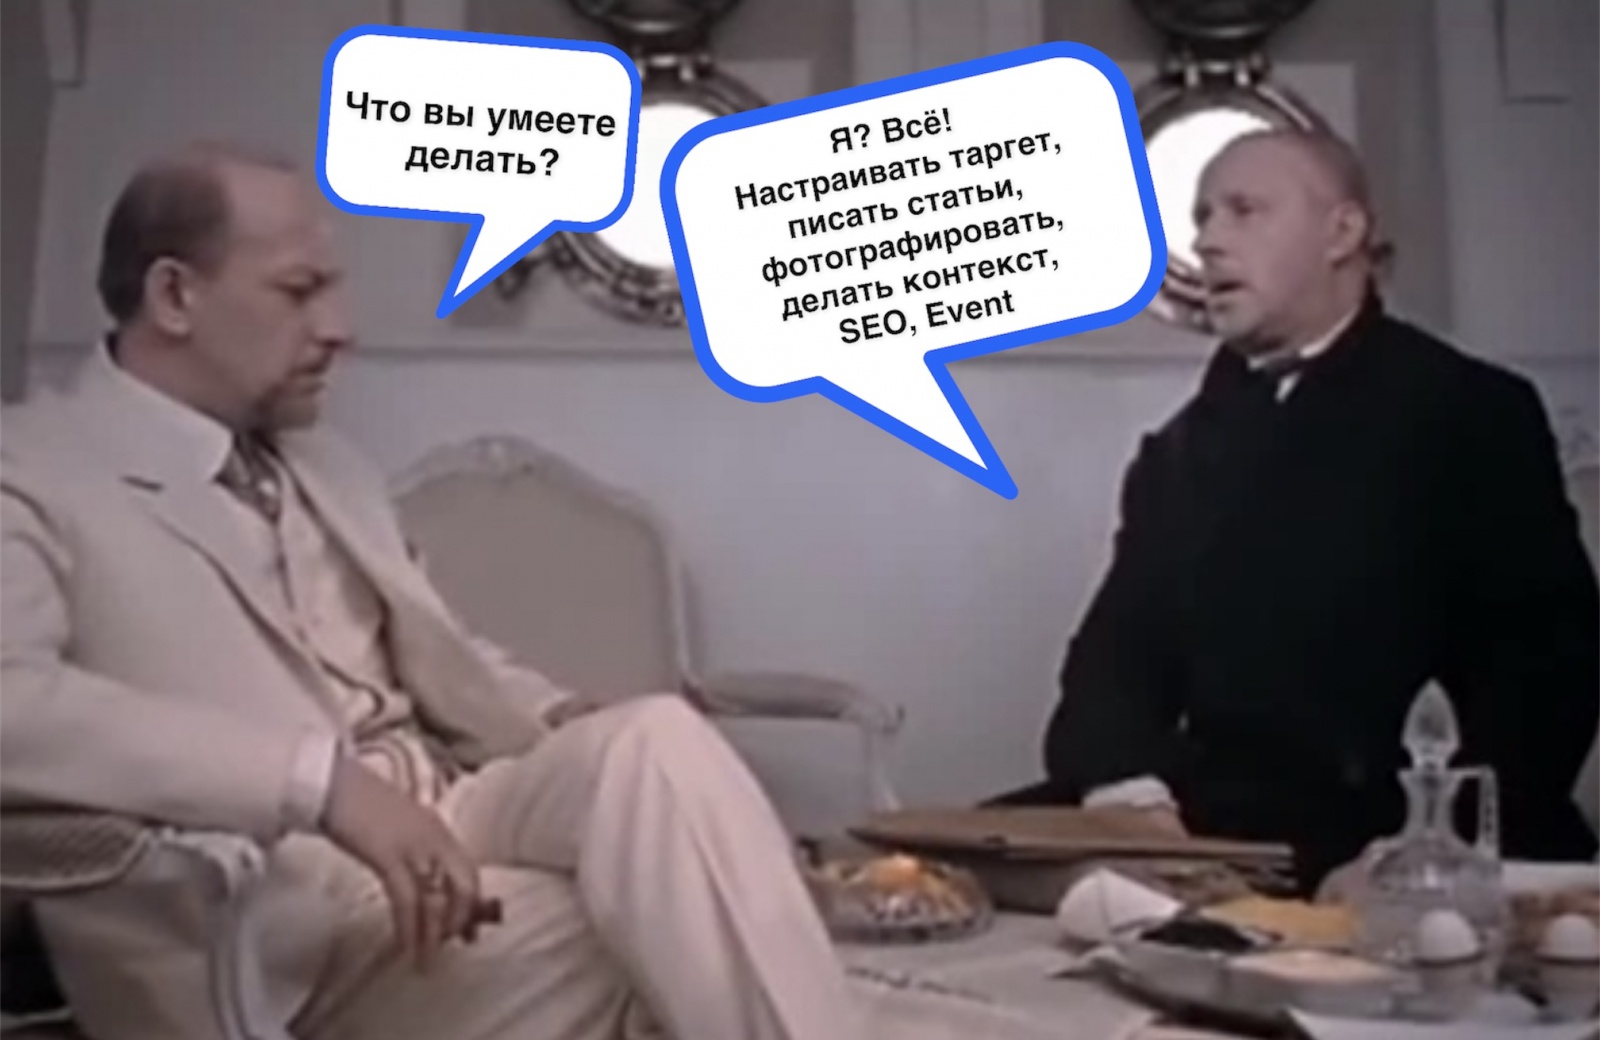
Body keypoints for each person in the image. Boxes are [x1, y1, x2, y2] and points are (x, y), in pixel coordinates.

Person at [0, 143, 864, 1040]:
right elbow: (11, 703)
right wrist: (318, 784)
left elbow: (436, 654)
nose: (340, 328)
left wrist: (564, 717)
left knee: (657, 745)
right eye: (299, 291)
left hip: (449, 812)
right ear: (175, 296)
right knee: (694, 929)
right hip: (279, 915)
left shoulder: (323, 461)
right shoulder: (32, 468)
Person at [1018, 127, 1599, 892]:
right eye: (1202, 218)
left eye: (1243, 210)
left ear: (1342, 232)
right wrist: (1132, 800)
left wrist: (1426, 849)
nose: (1208, 241)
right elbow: (1112, 665)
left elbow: (1548, 675)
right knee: (943, 866)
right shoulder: (1177, 453)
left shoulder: (1468, 410)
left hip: (1386, 835)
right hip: (1209, 828)